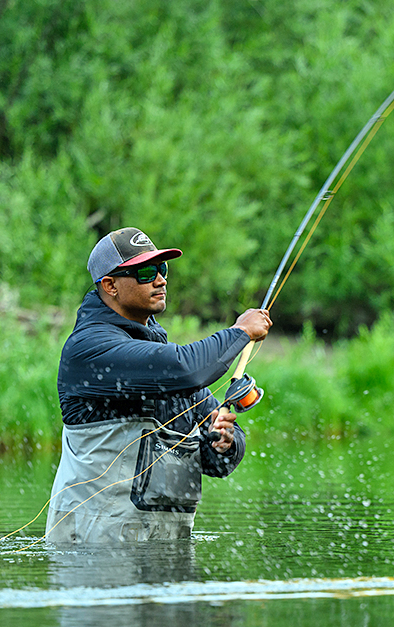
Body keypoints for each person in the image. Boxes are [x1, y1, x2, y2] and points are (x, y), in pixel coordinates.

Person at [45, 227, 272, 543]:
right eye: (146, 272)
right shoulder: (91, 348)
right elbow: (187, 368)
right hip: (93, 548)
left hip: (163, 546)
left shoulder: (160, 361)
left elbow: (218, 460)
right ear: (110, 285)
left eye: (162, 269)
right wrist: (239, 332)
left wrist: (222, 443)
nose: (161, 279)